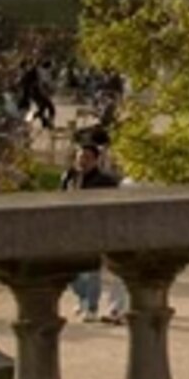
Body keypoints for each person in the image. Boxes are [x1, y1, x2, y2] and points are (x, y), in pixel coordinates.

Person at [61, 131, 125, 321]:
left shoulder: (105, 182)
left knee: (91, 270)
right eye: (80, 157)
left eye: (87, 158)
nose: (83, 161)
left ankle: (92, 307)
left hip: (94, 230)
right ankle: (83, 298)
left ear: (96, 160)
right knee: (69, 271)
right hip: (71, 229)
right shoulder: (68, 177)